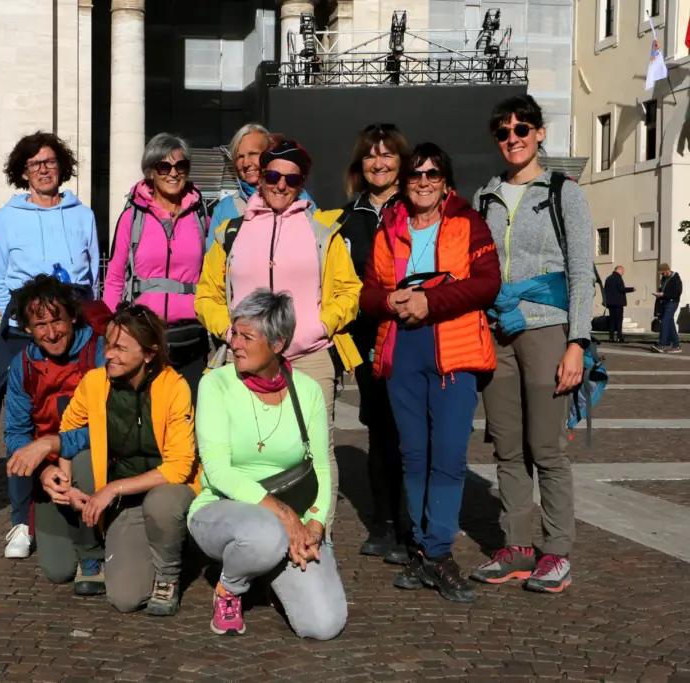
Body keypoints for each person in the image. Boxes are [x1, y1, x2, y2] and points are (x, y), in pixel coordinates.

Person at [195, 139, 363, 536]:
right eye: (273, 175)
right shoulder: (230, 232)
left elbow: (348, 290)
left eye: (292, 179)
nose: (281, 185)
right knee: (241, 450)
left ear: (302, 182)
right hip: (243, 357)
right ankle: (248, 537)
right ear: (259, 176)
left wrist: (319, 327)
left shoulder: (323, 229)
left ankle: (316, 537)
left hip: (308, 356)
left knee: (317, 449)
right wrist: (228, 329)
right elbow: (206, 294)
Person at [360, 142, 500, 603]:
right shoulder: (390, 227)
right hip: (403, 351)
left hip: (453, 352)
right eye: (416, 174)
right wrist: (390, 301)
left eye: (433, 174)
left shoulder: (467, 222)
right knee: (414, 455)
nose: (423, 181)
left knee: (448, 457)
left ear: (446, 182)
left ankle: (438, 552)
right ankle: (422, 552)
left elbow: (487, 284)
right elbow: (369, 293)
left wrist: (429, 301)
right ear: (403, 182)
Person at [471, 94, 594, 594]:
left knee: (547, 448)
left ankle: (557, 552)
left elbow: (583, 272)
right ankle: (518, 547)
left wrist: (577, 343)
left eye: (522, 128)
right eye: (503, 132)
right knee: (507, 446)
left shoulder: (564, 192)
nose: (513, 138)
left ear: (540, 133)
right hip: (497, 330)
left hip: (547, 328)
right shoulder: (486, 197)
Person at [24, 304, 201, 615]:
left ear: (148, 354)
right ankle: (123, 544)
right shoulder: (95, 382)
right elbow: (70, 424)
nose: (109, 354)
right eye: (108, 344)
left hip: (164, 486)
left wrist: (114, 488)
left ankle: (168, 572)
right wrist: (65, 480)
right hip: (125, 496)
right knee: (125, 598)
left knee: (162, 505)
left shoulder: (174, 387)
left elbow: (179, 467)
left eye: (121, 347)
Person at [190, 289, 346, 639]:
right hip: (223, 510)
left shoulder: (307, 390)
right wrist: (286, 515)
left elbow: (321, 467)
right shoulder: (215, 384)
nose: (234, 344)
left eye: (247, 336)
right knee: (265, 533)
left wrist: (315, 526)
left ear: (278, 344)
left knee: (322, 625)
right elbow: (217, 471)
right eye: (234, 333)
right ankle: (229, 586)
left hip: (294, 517)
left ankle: (268, 576)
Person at [0, 131, 100, 558]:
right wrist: (26, 323)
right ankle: (21, 521)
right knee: (22, 424)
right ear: (23, 171)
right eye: (35, 164)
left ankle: (82, 504)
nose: (44, 169)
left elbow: (93, 275)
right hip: (25, 330)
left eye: (50, 161)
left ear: (61, 166)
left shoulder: (82, 214)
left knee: (76, 416)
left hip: (73, 327)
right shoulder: (8, 216)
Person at [0, 275, 109, 587]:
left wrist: (52, 444)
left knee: (85, 458)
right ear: (28, 330)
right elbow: (16, 434)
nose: (51, 333)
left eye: (57, 321)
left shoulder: (99, 351)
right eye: (40, 326)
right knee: (57, 571)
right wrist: (43, 473)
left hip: (99, 464)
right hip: (52, 471)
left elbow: (109, 425)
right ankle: (77, 542)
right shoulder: (23, 365)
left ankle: (94, 551)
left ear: (72, 315)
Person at [337, 123, 411, 564]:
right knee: (380, 429)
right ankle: (384, 523)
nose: (378, 163)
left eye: (386, 155)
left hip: (412, 334)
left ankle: (410, 526)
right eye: (370, 155)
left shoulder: (419, 208)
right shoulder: (347, 218)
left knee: (410, 431)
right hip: (367, 341)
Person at [104, 133, 210, 400]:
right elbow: (115, 276)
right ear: (151, 171)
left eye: (180, 166)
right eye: (164, 167)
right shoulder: (132, 217)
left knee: (188, 416)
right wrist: (111, 329)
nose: (173, 173)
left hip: (190, 336)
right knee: (146, 418)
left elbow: (210, 273)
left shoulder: (201, 215)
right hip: (143, 335)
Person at [209, 124, 315, 249]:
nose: (246, 163)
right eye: (240, 157)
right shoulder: (224, 209)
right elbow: (212, 260)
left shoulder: (298, 197)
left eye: (253, 153)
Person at [652, 264, 682, 353]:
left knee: (665, 322)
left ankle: (662, 344)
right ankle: (676, 345)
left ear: (667, 270)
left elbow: (677, 293)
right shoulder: (664, 279)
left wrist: (663, 294)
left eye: (663, 273)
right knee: (670, 323)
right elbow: (663, 290)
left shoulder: (676, 279)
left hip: (673, 302)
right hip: (665, 302)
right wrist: (660, 294)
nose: (662, 275)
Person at [603, 266, 635, 343]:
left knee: (612, 320)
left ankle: (611, 337)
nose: (623, 273)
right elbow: (621, 289)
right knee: (619, 320)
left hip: (610, 303)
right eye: (622, 271)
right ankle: (619, 337)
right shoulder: (618, 278)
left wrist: (605, 301)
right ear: (619, 270)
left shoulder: (608, 278)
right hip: (618, 303)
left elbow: (605, 290)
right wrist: (632, 289)